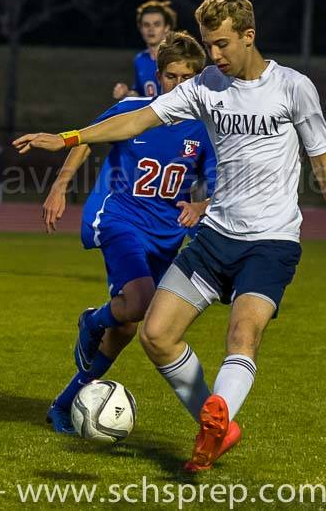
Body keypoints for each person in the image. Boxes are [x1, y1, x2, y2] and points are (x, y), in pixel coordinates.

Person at [16, 0, 326, 471]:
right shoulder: (205, 87)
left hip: (271, 241)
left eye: (221, 44)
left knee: (243, 333)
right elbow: (135, 118)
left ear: (248, 36)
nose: (213, 55)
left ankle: (214, 425)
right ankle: (215, 423)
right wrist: (70, 138)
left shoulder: (293, 87)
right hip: (214, 240)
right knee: (155, 333)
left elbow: (323, 165)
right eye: (207, 44)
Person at [43, 31, 221, 435]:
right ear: (158, 77)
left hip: (167, 235)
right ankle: (92, 321)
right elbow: (87, 140)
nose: (179, 84)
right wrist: (60, 185)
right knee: (138, 302)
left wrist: (200, 205)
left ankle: (65, 403)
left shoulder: (205, 129)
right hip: (120, 218)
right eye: (171, 76)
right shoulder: (134, 109)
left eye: (187, 77)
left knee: (124, 328)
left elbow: (218, 185)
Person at [112, 0, 177, 100]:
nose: (151, 29)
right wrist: (126, 93)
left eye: (156, 24)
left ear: (166, 27)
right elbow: (140, 94)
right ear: (140, 28)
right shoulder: (140, 60)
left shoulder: (177, 59)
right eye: (146, 25)